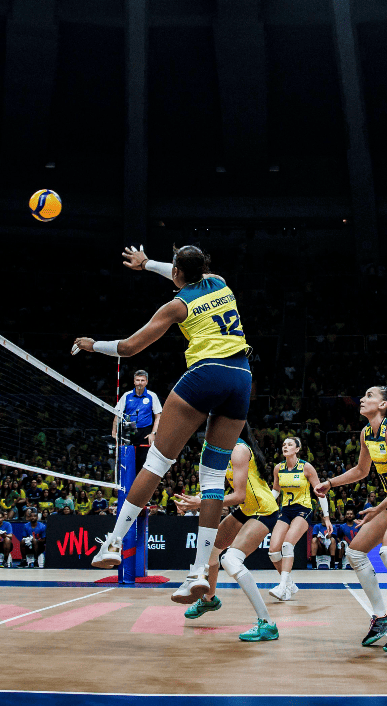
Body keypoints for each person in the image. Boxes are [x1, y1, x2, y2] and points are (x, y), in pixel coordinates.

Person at [74, 245, 253, 606]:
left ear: (176, 274)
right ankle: (198, 573)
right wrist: (147, 264)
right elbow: (182, 270)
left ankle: (113, 543)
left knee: (157, 462)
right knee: (214, 479)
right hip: (242, 378)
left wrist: (94, 345)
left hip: (205, 375)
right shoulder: (221, 283)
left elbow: (127, 347)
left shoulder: (176, 305)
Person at [313, 384, 387, 650]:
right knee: (355, 553)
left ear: (382, 404)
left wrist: (378, 509)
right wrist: (330, 483)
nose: (361, 398)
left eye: (369, 395)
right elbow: (361, 470)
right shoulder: (366, 433)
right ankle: (381, 617)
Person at [176, 426, 280, 642]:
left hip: (263, 509)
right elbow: (222, 489)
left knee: (231, 560)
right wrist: (196, 499)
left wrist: (201, 503)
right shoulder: (223, 450)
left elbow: (239, 495)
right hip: (247, 509)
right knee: (211, 552)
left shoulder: (239, 450)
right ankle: (209, 599)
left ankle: (267, 624)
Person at [267, 436, 328, 601]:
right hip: (285, 510)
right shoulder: (278, 468)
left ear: (297, 449)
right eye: (283, 444)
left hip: (304, 509)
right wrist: (265, 505)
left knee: (287, 545)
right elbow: (276, 491)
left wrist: (327, 517)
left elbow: (320, 492)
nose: (285, 446)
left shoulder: (306, 467)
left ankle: (282, 587)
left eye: (289, 444)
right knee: (273, 552)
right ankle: (290, 585)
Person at [114, 370, 163, 469]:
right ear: (134, 382)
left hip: (145, 430)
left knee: (143, 461)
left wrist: (153, 433)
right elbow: (118, 415)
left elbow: (158, 417)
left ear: (146, 382)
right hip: (129, 427)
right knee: (126, 461)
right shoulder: (126, 395)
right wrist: (114, 431)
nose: (140, 382)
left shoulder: (152, 396)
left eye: (142, 380)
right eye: (138, 380)